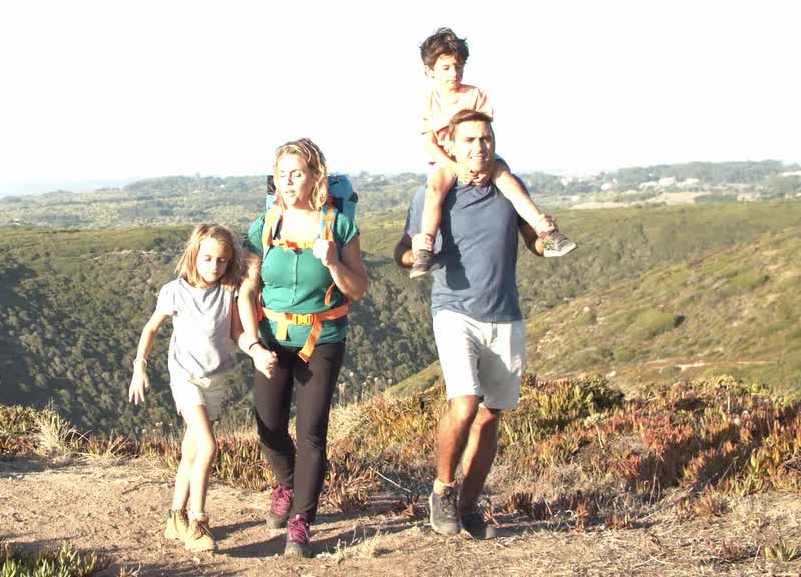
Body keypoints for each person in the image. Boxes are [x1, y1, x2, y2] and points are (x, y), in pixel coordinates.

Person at [394, 109, 552, 539]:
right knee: (464, 402)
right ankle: (443, 489)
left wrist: (545, 240)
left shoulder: (510, 190)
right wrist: (416, 257)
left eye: (485, 139)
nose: (479, 147)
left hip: (505, 313)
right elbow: (401, 252)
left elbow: (531, 243)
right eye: (469, 140)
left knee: (489, 417)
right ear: (453, 146)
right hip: (453, 309)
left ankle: (468, 505)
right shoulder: (434, 194)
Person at [239, 138, 367, 558]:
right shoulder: (264, 226)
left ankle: (301, 520)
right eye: (281, 174)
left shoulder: (340, 226)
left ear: (315, 176)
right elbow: (248, 286)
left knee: (312, 431)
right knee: (268, 423)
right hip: (273, 337)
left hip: (322, 339)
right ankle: (286, 483)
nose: (288, 182)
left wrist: (332, 262)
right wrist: (253, 343)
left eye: (297, 173)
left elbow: (359, 289)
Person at [410, 27, 575, 279]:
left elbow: (486, 134)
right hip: (448, 161)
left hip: (483, 157)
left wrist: (485, 168)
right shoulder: (427, 104)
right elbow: (430, 143)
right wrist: (455, 167)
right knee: (434, 190)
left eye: (458, 67)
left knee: (508, 182)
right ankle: (425, 249)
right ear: (429, 70)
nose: (453, 73)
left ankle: (546, 232)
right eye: (446, 68)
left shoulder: (475, 95)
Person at [128, 224, 246, 552]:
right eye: (207, 258)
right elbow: (151, 329)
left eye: (222, 260)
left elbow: (237, 333)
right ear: (193, 255)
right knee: (208, 446)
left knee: (191, 453)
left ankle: (174, 518)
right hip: (185, 378)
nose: (214, 266)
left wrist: (257, 350)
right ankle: (197, 522)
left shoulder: (229, 290)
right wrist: (140, 365)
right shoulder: (174, 291)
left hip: (216, 381)